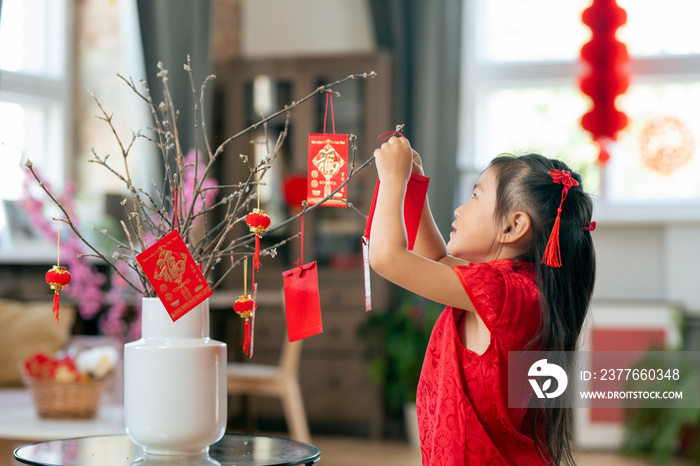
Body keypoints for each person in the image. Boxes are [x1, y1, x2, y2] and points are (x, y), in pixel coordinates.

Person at [368, 136, 596, 465]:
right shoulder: (517, 285)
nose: (460, 209)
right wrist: (413, 182)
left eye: (475, 196)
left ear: (513, 225)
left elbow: (387, 258)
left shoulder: (504, 291)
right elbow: (436, 260)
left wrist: (391, 179)